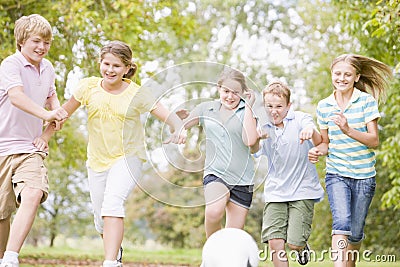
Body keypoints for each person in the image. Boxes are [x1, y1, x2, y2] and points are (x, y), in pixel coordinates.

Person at [61, 40, 186, 267]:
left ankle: (110, 263)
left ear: (127, 68)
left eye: (116, 66)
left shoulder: (137, 93)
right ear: (100, 63)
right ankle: (115, 252)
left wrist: (179, 128)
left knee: (112, 203)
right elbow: (62, 114)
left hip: (128, 158)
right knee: (101, 219)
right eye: (106, 64)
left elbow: (168, 115)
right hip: (97, 161)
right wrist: (43, 136)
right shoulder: (87, 87)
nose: (110, 70)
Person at [308, 54, 393, 267]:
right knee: (341, 223)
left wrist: (347, 129)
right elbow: (326, 143)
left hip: (364, 176)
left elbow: (373, 141)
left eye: (347, 74)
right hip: (337, 174)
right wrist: (317, 150)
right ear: (331, 75)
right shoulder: (324, 106)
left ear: (356, 77)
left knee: (355, 233)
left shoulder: (366, 101)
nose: (342, 78)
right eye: (337, 73)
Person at [0, 14, 68, 267]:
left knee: (34, 191)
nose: (42, 47)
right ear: (22, 40)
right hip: (2, 148)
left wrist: (54, 116)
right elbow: (16, 97)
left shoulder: (48, 67)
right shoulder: (11, 64)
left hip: (29, 149)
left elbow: (51, 97)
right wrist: (48, 114)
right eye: (37, 41)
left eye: (47, 42)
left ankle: (11, 257)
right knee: (1, 214)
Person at [177, 68, 259, 239]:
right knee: (214, 212)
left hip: (243, 179)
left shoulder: (247, 112)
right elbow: (182, 125)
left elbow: (251, 141)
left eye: (235, 92)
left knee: (233, 236)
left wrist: (249, 107)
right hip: (216, 173)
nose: (230, 96)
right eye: (226, 91)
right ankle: (211, 253)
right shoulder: (206, 109)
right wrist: (181, 129)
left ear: (244, 92)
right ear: (218, 89)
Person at [251, 81, 324, 266]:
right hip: (276, 191)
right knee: (275, 242)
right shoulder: (263, 126)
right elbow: (253, 149)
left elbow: (318, 139)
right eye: (269, 106)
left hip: (303, 190)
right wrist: (256, 138)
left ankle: (301, 247)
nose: (274, 111)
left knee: (294, 242)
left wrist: (310, 131)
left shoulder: (301, 119)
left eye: (278, 106)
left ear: (288, 106)